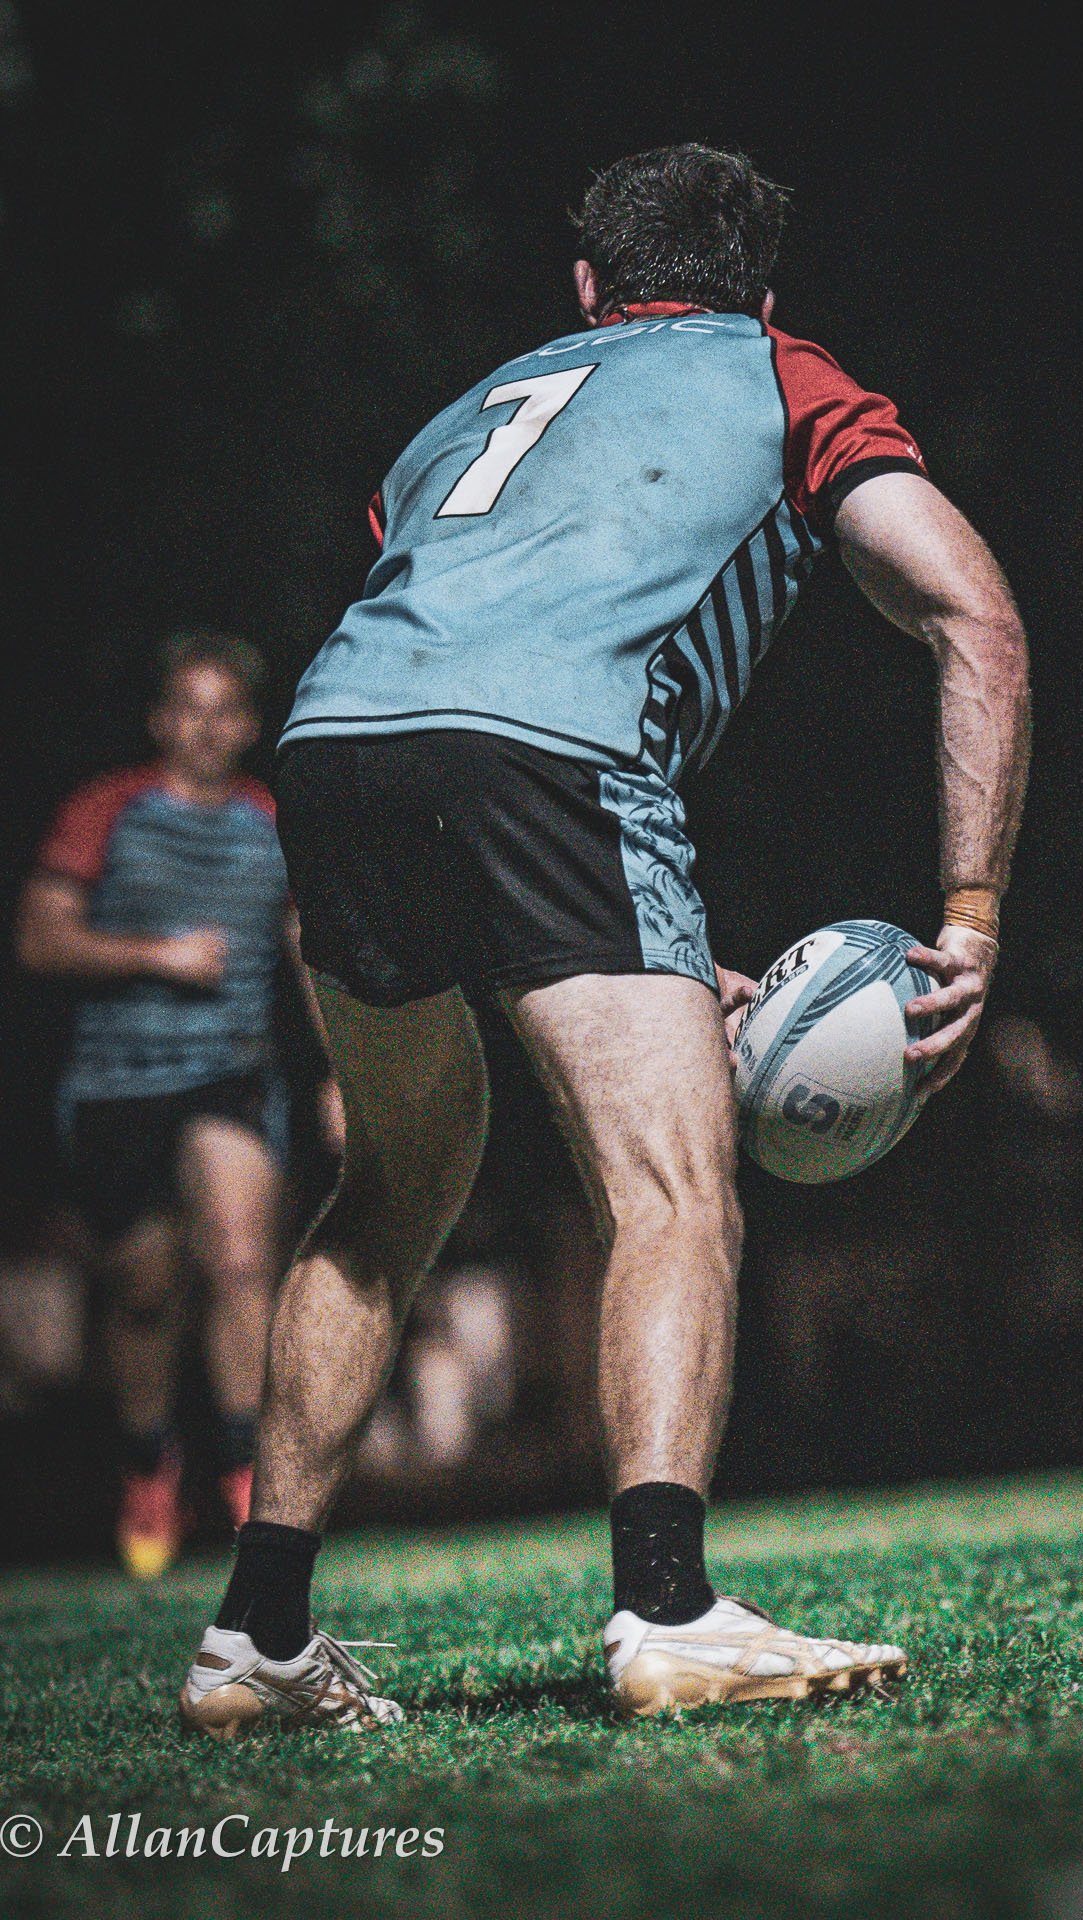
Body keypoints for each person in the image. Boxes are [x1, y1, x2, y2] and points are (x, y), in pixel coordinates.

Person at [179, 144, 1030, 1733]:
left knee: (389, 1191)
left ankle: (256, 1640)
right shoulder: (785, 374)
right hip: (553, 759)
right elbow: (969, 611)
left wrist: (631, 940)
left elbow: (447, 638)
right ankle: (666, 1606)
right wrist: (970, 911)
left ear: (586, 287)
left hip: (337, 750)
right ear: (760, 293)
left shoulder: (464, 412)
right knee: (673, 1181)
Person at [15, 632, 337, 1576]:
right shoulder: (106, 809)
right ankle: (147, 1463)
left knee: (241, 1256)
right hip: (118, 1082)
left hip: (230, 1073)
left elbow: (306, 951)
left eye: (225, 710)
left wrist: (333, 1075)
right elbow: (39, 939)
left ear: (249, 724)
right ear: (162, 719)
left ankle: (244, 1483)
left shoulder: (269, 821)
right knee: (144, 1293)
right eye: (187, 708)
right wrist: (157, 956)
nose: (205, 727)